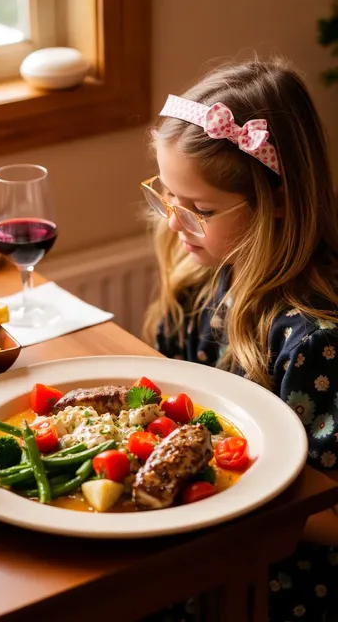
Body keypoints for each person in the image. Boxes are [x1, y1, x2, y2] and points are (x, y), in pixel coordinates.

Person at [140, 56, 338, 621]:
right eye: (168, 197)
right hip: (200, 534)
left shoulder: (315, 341)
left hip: (272, 581)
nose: (174, 225)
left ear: (277, 200)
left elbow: (330, 514)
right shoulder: (201, 273)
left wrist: (223, 495)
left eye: (199, 210)